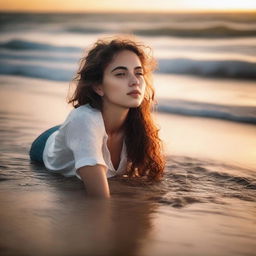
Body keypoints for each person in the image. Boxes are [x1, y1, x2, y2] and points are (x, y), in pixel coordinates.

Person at [29, 35, 165, 198]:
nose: (135, 81)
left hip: (86, 129)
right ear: (98, 87)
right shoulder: (83, 120)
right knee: (82, 123)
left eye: (139, 73)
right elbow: (99, 198)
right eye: (121, 74)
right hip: (46, 143)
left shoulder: (137, 124)